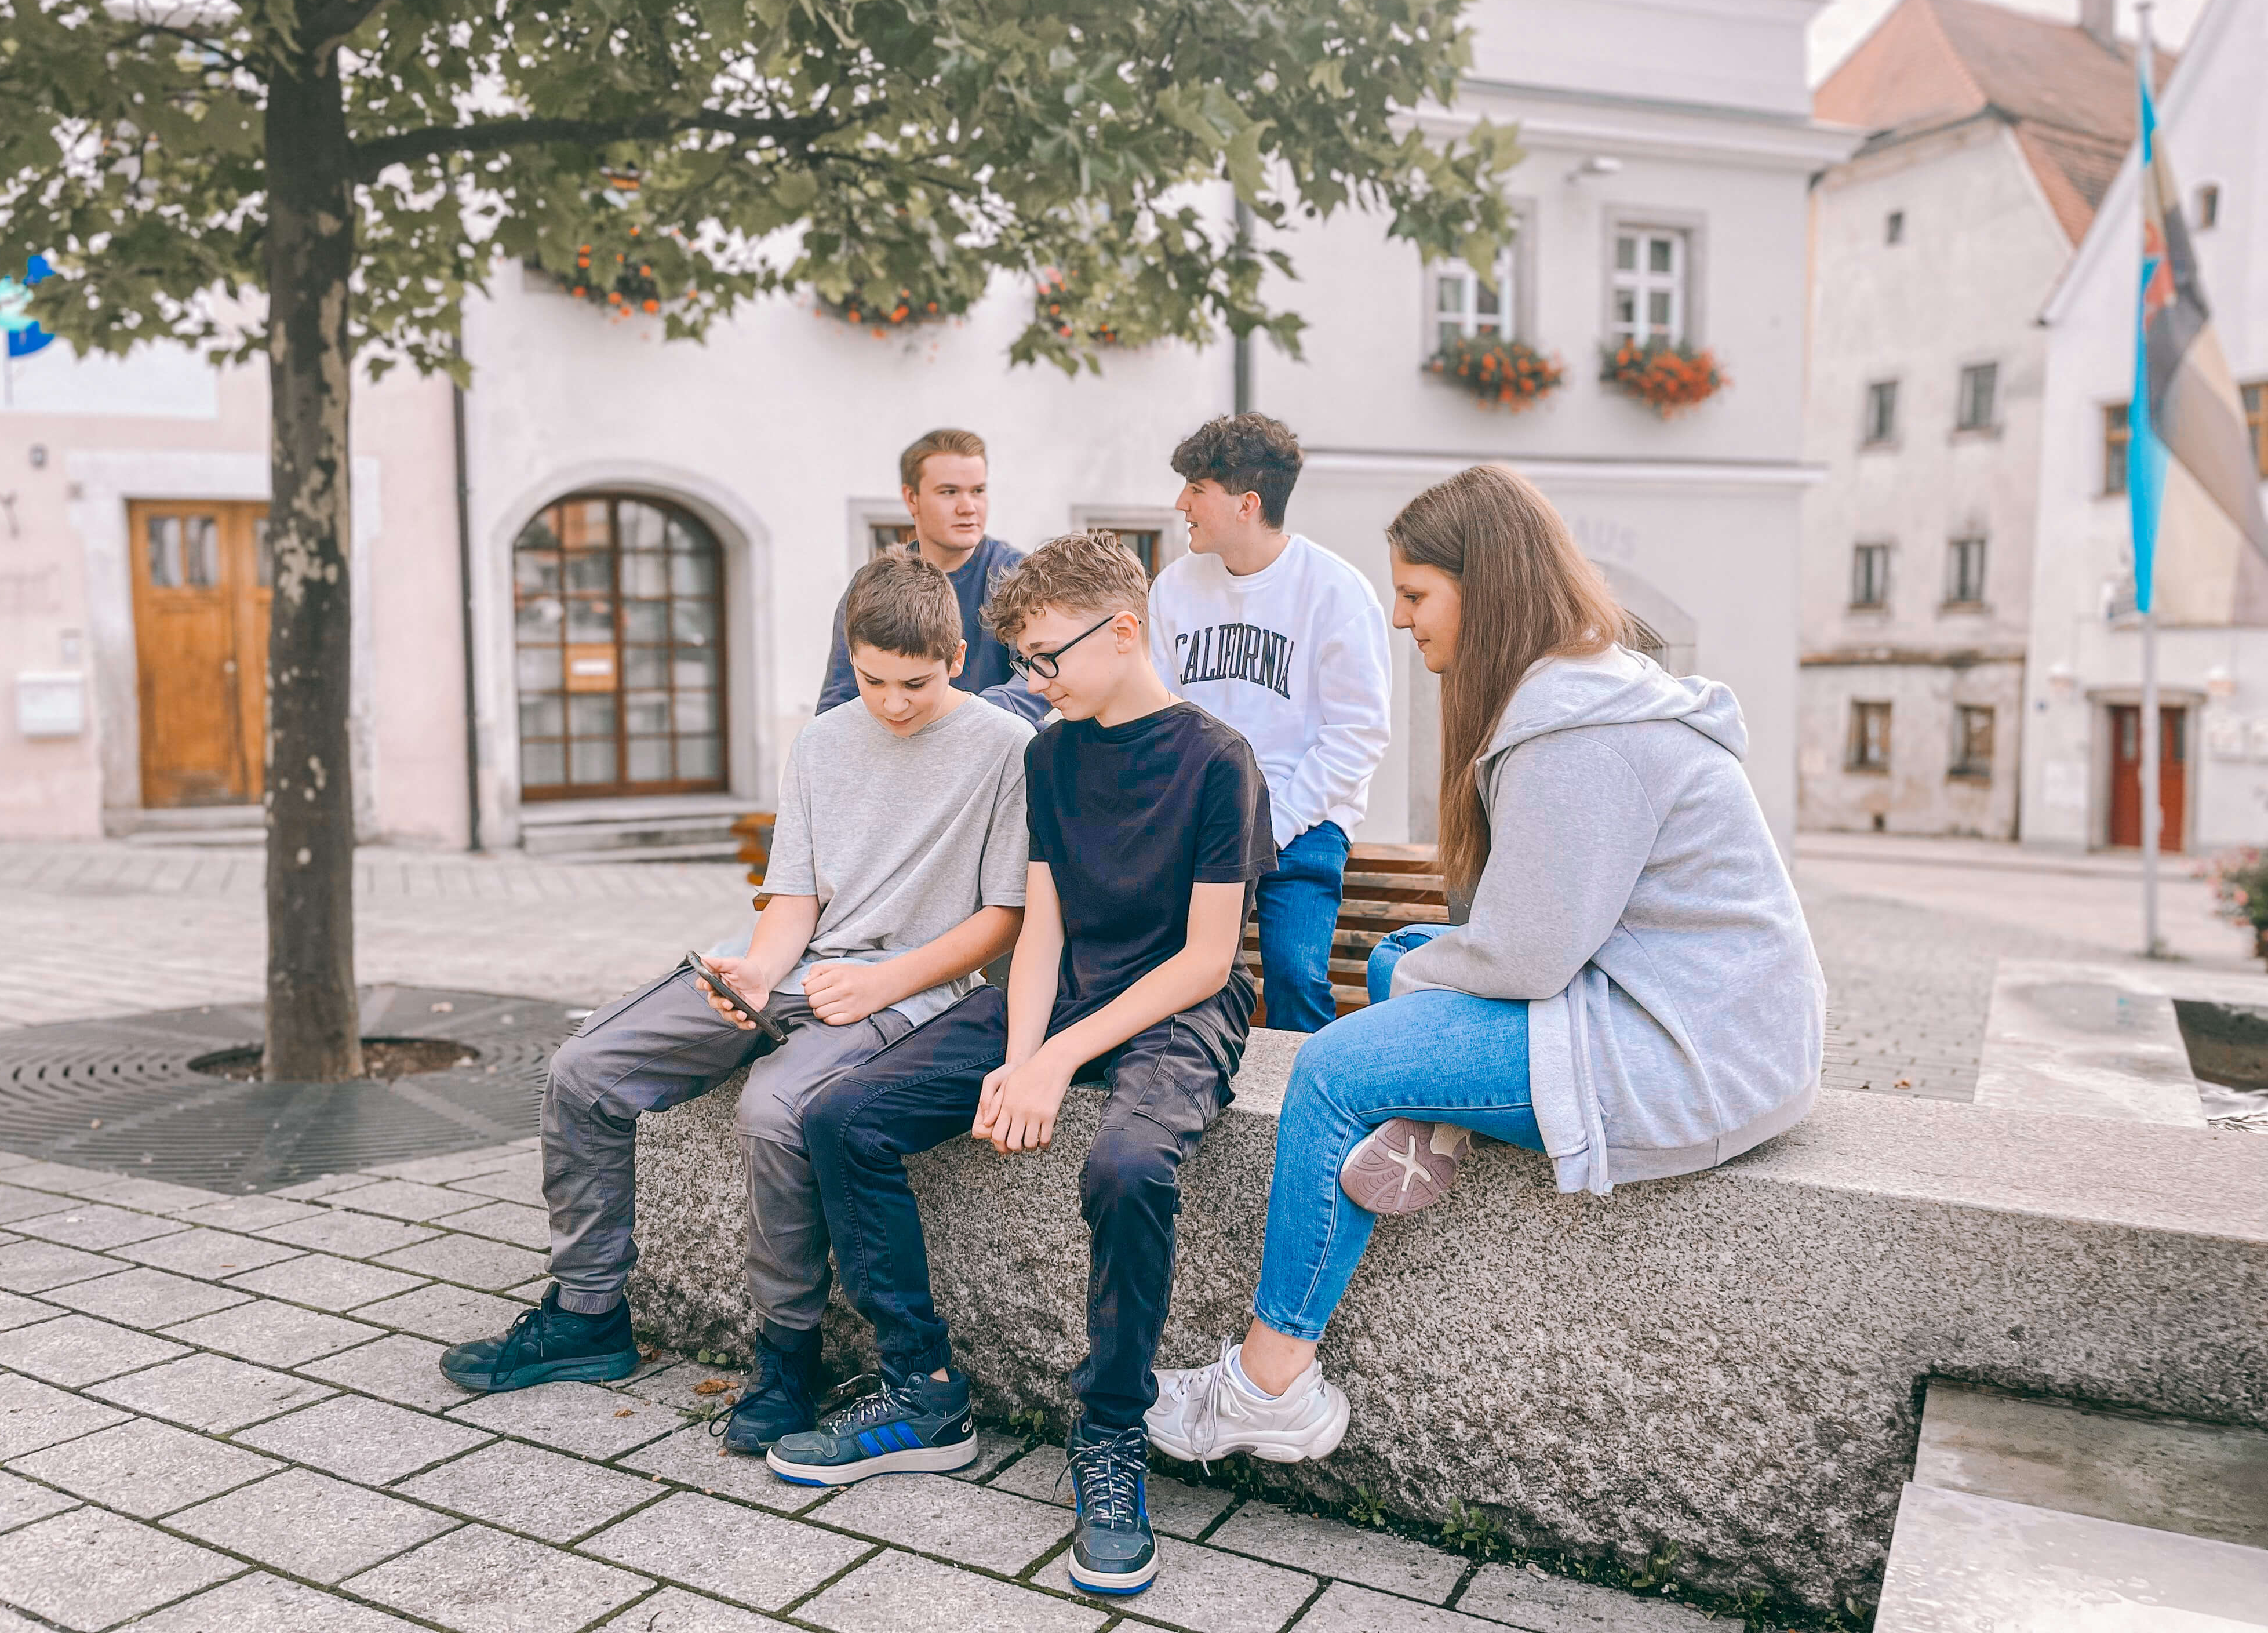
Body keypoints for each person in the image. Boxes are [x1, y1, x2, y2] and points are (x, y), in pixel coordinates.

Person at [1144, 463, 1826, 1466]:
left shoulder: (1577, 735)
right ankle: (1433, 1120)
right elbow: (1527, 940)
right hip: (1683, 1010)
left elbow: (1526, 952)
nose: (1400, 619)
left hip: (1685, 1049)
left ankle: (1270, 1381)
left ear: (1489, 585)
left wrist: (1413, 1008)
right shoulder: (1575, 693)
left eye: (1416, 594)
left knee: (1332, 1069)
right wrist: (1423, 986)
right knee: (1398, 954)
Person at [441, 551, 1034, 1460]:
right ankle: (588, 1315)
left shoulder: (1004, 748)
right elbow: (793, 895)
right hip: (796, 972)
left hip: (911, 993)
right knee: (583, 1069)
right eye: (873, 680)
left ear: (958, 656)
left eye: (915, 683)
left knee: (774, 1111)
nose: (893, 703)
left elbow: (1003, 919)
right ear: (851, 656)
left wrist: (884, 979)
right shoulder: (824, 739)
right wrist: (758, 973)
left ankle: (786, 1355)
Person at [771, 533, 1275, 1599]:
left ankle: (1108, 1436)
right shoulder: (1049, 749)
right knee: (840, 1115)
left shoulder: (1215, 757)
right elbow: (1039, 926)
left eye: (1047, 658)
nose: (1034, 682)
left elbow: (1203, 956)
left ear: (1122, 630)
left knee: (1127, 1166)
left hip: (1178, 1005)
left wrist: (1060, 1057)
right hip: (1066, 992)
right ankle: (920, 1388)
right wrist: (1020, 1052)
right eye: (1028, 663)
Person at [1148, 414, 1391, 1031]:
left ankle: (1306, 1109)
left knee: (1294, 974)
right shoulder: (1174, 588)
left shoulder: (1337, 593)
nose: (1182, 504)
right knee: (1169, 967)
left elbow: (1357, 736)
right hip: (1201, 821)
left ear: (1246, 504)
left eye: (1197, 490)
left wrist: (1273, 827)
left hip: (1303, 823)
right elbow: (1159, 711)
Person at [818, 427, 1041, 723]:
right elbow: (839, 700)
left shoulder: (1017, 576)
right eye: (949, 492)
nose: (968, 507)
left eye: (978, 491)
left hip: (994, 750)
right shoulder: (870, 584)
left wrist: (955, 718)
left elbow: (1038, 677)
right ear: (912, 499)